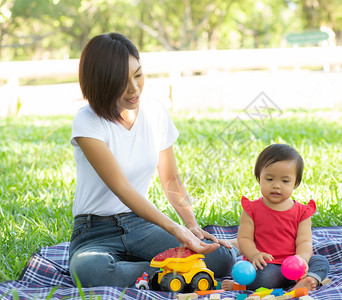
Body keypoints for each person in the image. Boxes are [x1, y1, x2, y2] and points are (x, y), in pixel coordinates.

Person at [68, 32, 238, 287]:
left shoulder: (155, 112)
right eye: (120, 82)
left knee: (222, 260)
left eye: (138, 75)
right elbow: (122, 188)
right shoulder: (87, 121)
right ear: (100, 82)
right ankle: (172, 271)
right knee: (89, 271)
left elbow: (170, 178)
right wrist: (174, 229)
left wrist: (191, 225)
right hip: (94, 232)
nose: (134, 88)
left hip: (141, 225)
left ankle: (161, 273)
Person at [222, 144, 329, 291]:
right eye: (270, 179)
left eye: (285, 181)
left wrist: (302, 260)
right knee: (259, 276)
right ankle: (246, 284)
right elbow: (244, 239)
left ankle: (309, 279)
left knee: (321, 261)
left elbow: (304, 241)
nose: (276, 186)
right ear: (259, 179)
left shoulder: (302, 212)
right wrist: (254, 255)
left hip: (293, 265)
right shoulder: (251, 210)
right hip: (266, 265)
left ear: (295, 183)